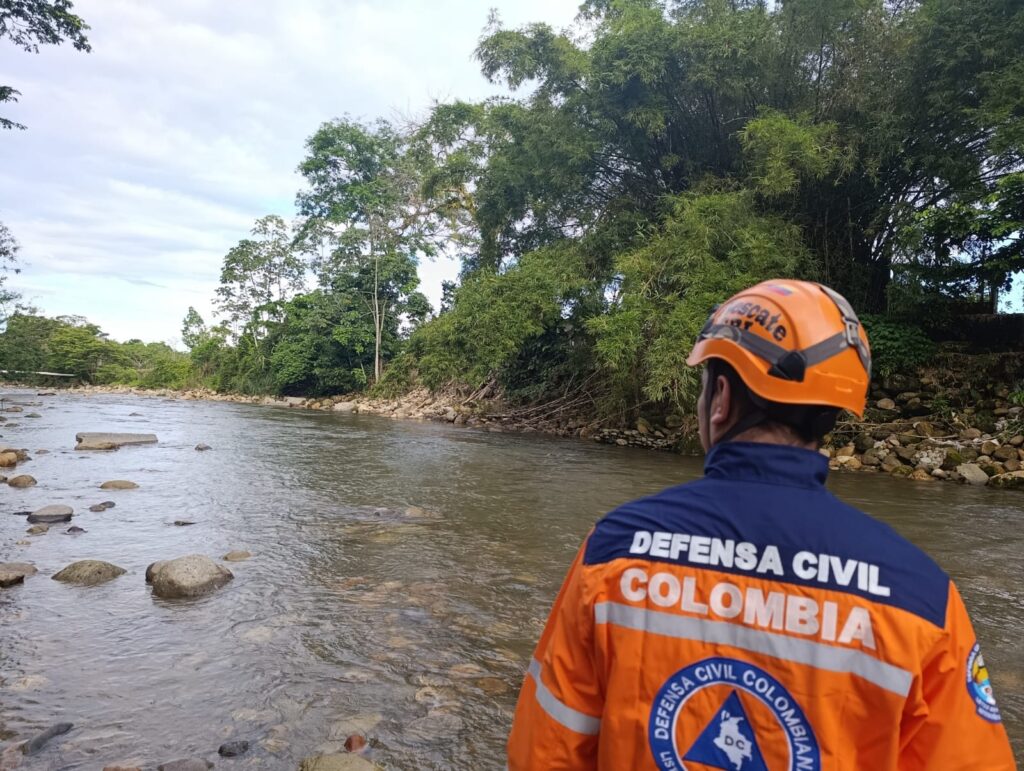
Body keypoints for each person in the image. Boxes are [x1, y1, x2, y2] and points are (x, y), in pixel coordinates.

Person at [507, 279, 1017, 770]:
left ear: (722, 398)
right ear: (830, 412)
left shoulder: (613, 552)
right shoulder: (922, 598)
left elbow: (546, 753)